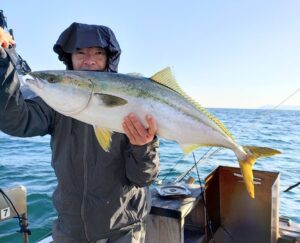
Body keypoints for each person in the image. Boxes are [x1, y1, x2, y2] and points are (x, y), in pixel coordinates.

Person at [0, 23, 160, 243]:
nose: (89, 60)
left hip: (122, 233)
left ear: (108, 58)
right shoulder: (55, 103)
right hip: (69, 233)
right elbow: (14, 120)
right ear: (70, 58)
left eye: (98, 53)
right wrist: (2, 59)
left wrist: (144, 146)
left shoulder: (130, 104)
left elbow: (143, 178)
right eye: (80, 52)